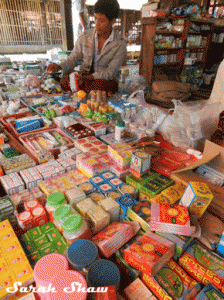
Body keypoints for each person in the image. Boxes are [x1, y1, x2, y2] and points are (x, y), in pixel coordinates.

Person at [47, 0, 127, 94]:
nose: (97, 23)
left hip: (104, 81)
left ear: (113, 21)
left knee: (100, 86)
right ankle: (83, 89)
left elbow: (110, 72)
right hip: (84, 77)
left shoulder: (120, 44)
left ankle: (83, 90)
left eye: (102, 20)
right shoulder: (86, 36)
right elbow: (73, 59)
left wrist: (89, 77)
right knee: (65, 82)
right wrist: (59, 67)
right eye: (95, 18)